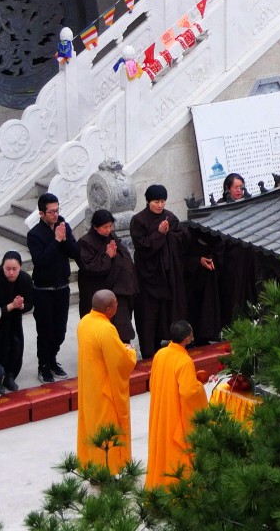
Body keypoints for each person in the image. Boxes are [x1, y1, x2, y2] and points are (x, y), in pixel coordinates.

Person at [133, 184, 205, 355]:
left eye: (162, 201)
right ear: (148, 201)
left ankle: (177, 344)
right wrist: (159, 234)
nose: (159, 205)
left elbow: (183, 239)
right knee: (150, 315)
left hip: (170, 275)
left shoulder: (169, 217)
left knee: (173, 311)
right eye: (156, 201)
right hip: (149, 276)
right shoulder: (138, 220)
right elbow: (142, 246)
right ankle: (150, 350)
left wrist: (170, 234)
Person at [76, 289, 137, 472]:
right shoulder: (106, 329)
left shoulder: (84, 322)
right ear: (109, 308)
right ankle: (107, 471)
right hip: (105, 392)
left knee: (92, 428)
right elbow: (121, 362)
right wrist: (130, 351)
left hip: (89, 388)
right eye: (116, 303)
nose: (118, 305)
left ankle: (92, 467)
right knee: (106, 431)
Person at [146, 320, 207, 489]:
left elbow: (153, 382)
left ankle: (158, 486)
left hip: (161, 409)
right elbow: (190, 393)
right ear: (188, 338)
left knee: (161, 449)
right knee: (175, 451)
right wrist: (200, 385)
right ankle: (177, 492)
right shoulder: (184, 361)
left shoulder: (160, 354)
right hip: (175, 413)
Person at [28, 192, 81, 384]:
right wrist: (56, 240)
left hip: (62, 288)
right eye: (51, 212)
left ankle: (52, 359)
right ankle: (44, 365)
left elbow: (75, 252)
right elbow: (41, 261)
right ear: (41, 214)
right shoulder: (34, 234)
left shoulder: (63, 225)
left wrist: (64, 238)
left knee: (60, 331)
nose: (55, 215)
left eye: (57, 210)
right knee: (45, 330)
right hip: (44, 291)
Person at [78, 209, 138, 345]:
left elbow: (125, 257)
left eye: (110, 226)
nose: (108, 230)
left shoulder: (111, 237)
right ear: (95, 227)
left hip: (118, 290)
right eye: (105, 227)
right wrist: (107, 257)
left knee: (122, 328)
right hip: (97, 293)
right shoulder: (85, 242)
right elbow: (90, 268)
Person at [0, 250, 35, 386]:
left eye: (14, 269)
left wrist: (21, 306)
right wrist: (11, 305)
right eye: (7, 269)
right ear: (2, 267)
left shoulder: (25, 279)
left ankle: (10, 376)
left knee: (16, 346)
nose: (11, 273)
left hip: (14, 319)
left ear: (20, 267)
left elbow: (31, 302)